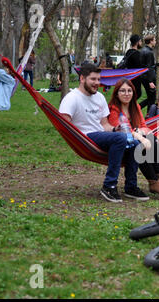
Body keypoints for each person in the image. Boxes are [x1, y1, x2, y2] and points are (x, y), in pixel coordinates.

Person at [59, 63, 149, 202]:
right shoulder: (72, 98)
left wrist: (114, 129)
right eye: (93, 79)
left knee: (136, 143)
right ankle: (109, 186)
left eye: (98, 79)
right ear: (82, 78)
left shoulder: (99, 97)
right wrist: (75, 139)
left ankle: (131, 186)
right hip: (85, 137)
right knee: (120, 138)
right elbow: (64, 124)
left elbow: (104, 124)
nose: (97, 83)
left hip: (102, 136)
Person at [108, 78, 159, 194]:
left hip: (134, 138)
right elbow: (120, 129)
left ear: (133, 92)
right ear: (116, 93)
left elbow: (144, 126)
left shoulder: (135, 106)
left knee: (152, 138)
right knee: (140, 145)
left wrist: (142, 132)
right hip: (120, 143)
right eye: (122, 91)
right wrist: (139, 136)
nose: (126, 94)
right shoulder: (114, 109)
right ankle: (153, 182)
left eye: (129, 91)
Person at [139, 34, 157, 109]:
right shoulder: (149, 52)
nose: (155, 41)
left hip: (143, 76)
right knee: (152, 98)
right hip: (148, 78)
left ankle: (147, 115)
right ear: (151, 41)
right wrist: (150, 81)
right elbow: (148, 67)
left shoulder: (142, 50)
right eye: (154, 40)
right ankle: (139, 109)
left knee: (151, 97)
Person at [125, 34, 143, 100]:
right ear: (137, 42)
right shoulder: (137, 54)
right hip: (135, 78)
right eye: (140, 41)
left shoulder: (128, 52)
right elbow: (140, 66)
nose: (141, 43)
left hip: (128, 77)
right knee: (137, 94)